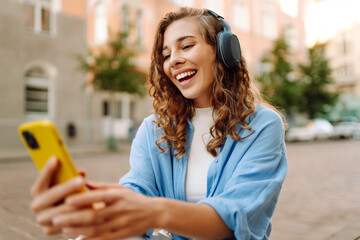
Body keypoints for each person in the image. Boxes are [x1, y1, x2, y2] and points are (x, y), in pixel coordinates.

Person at [30, 7, 287, 240]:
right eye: (166, 54)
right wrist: (98, 209)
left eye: (186, 46)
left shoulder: (262, 125)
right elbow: (137, 189)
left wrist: (156, 212)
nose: (173, 60)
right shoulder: (155, 128)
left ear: (224, 51)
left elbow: (235, 219)